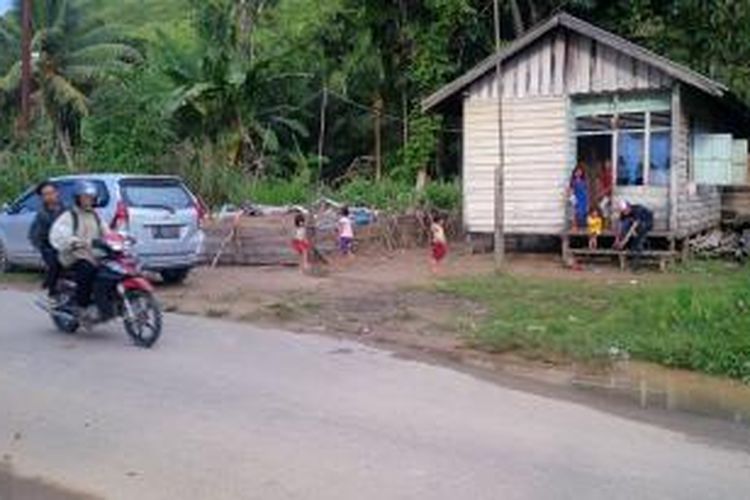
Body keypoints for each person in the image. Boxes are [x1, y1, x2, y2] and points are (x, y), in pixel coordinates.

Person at [49, 181, 107, 316]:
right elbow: (59, 233)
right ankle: (82, 304)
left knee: (110, 268)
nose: (88, 200)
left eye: (91, 197)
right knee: (87, 268)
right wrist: (73, 241)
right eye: (85, 197)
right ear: (77, 198)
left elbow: (106, 231)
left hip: (92, 253)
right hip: (72, 254)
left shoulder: (96, 215)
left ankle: (102, 300)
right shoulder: (69, 215)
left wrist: (118, 238)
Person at [28, 181, 65, 300]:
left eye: (51, 193)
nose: (49, 196)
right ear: (42, 197)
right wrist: (42, 247)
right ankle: (52, 291)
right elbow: (35, 235)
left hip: (67, 244)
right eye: (45, 194)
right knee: (54, 264)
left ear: (57, 193)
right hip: (49, 247)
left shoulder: (67, 209)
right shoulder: (41, 214)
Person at [568, 163, 589, 232]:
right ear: (574, 173)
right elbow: (570, 191)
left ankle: (582, 227)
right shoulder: (573, 181)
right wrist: (573, 199)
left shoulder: (584, 181)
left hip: (583, 199)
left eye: (580, 171)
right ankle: (574, 227)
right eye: (577, 172)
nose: (578, 173)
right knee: (575, 213)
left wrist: (587, 200)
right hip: (577, 198)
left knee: (583, 213)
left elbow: (586, 190)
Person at [597, 160, 614, 224]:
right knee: (602, 205)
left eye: (609, 164)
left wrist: (605, 191)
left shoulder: (613, 173)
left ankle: (608, 220)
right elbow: (602, 184)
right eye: (606, 164)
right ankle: (607, 219)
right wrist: (601, 192)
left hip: (611, 194)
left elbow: (612, 185)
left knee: (604, 205)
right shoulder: (604, 173)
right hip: (606, 194)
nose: (607, 165)